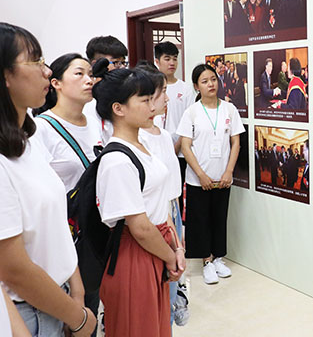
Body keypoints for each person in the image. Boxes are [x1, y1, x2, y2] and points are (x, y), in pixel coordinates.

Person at [0, 22, 97, 336]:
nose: (47, 70)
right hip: (28, 311)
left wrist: (76, 289)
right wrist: (79, 318)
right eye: (35, 61)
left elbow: (55, 224)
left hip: (59, 296)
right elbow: (12, 269)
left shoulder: (29, 139)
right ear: (3, 75)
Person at [93, 66, 185, 336]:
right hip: (135, 255)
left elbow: (159, 202)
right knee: (139, 327)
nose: (152, 106)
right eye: (144, 101)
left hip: (157, 246)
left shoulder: (142, 146)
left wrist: (176, 247)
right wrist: (170, 256)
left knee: (156, 325)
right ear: (118, 108)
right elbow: (140, 227)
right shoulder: (117, 161)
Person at [177, 64, 244, 285]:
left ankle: (218, 258)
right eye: (205, 81)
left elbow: (236, 143)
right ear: (196, 86)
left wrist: (229, 171)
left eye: (213, 79)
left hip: (223, 177)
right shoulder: (191, 112)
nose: (211, 84)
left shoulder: (229, 110)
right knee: (201, 219)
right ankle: (206, 261)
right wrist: (200, 175)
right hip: (198, 179)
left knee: (219, 217)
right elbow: (185, 146)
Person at [138, 66, 186, 326]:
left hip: (172, 209)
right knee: (159, 278)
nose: (167, 99)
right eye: (162, 92)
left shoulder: (164, 135)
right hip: (156, 216)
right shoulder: (139, 138)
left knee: (172, 277)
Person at [32, 53, 101, 191]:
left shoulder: (94, 123)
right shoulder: (40, 128)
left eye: (91, 75)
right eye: (79, 74)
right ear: (56, 83)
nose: (89, 81)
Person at [153, 41, 195, 216]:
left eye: (175, 59)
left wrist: (176, 147)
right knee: (157, 193)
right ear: (157, 61)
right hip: (155, 151)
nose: (172, 63)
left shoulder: (185, 89)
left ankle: (175, 227)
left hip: (179, 151)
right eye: (167, 58)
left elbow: (189, 122)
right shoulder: (151, 87)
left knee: (175, 192)